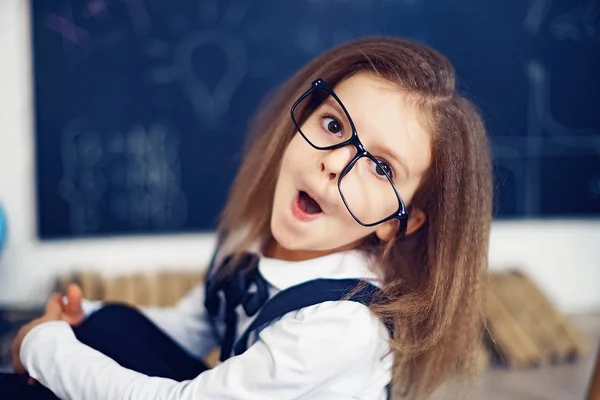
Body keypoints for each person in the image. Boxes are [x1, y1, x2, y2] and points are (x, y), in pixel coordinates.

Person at [2, 35, 493, 400]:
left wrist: (43, 348)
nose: (334, 162)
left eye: (381, 167)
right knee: (105, 328)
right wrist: (82, 317)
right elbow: (193, 325)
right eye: (333, 124)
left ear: (397, 223)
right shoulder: (251, 236)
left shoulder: (341, 326)